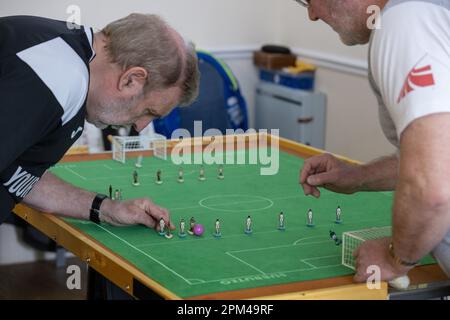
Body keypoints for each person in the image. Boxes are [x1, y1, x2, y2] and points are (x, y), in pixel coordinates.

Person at [0, 13, 200, 229]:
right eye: (148, 111)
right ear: (131, 80)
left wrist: (106, 209)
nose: (140, 126)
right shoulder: (56, 80)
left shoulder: (72, 55)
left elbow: (17, 175)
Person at [297, 0, 450, 282]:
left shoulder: (404, 22)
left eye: (310, 0)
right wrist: (357, 177)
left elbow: (431, 185)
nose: (312, 14)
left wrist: (395, 259)